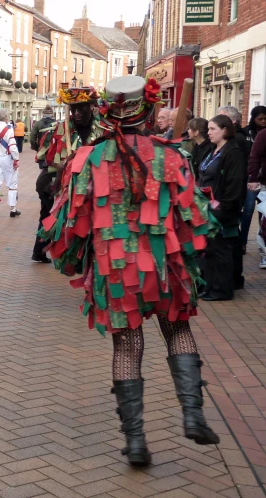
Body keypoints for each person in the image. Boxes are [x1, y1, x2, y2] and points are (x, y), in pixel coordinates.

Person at [40, 75, 219, 468]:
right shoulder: (172, 155)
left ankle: (136, 441)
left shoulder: (88, 158)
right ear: (150, 112)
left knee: (127, 346)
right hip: (165, 265)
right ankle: (193, 414)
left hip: (115, 272)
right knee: (178, 331)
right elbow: (196, 218)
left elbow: (70, 222)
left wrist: (71, 262)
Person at [197, 114, 248, 301]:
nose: (208, 132)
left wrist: (223, 208)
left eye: (212, 129)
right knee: (209, 249)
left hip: (223, 209)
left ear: (225, 130)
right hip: (206, 207)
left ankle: (222, 289)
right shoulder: (212, 149)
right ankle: (209, 285)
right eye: (208, 129)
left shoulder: (233, 152)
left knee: (221, 249)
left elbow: (234, 183)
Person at [216, 106, 250, 286]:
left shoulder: (236, 143)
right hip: (228, 198)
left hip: (231, 198)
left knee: (231, 240)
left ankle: (235, 278)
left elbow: (236, 175)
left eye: (221, 120)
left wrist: (229, 202)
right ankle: (235, 278)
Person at [30, 105, 56, 263]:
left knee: (46, 217)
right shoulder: (57, 128)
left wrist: (38, 151)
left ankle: (39, 251)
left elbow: (33, 139)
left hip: (45, 173)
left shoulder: (38, 124)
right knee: (48, 218)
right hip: (49, 183)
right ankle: (39, 250)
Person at [0, 108, 20, 218]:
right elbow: (12, 146)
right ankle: (13, 208)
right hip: (7, 158)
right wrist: (16, 159)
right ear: (6, 118)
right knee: (12, 183)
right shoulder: (9, 129)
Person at [248, 122, 266, 269]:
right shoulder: (263, 135)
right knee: (265, 221)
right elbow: (255, 156)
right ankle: (265, 253)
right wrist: (253, 178)